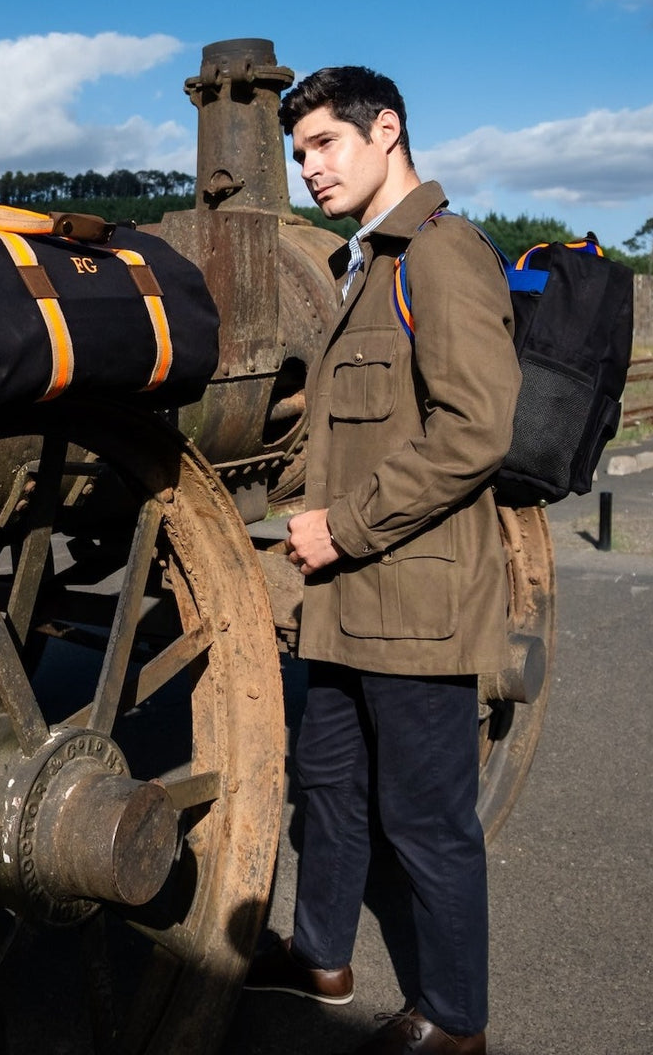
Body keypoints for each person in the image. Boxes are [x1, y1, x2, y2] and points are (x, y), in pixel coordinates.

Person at [242, 66, 522, 1055]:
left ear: (386, 130)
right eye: (298, 152)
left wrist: (345, 527)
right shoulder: (367, 266)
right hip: (344, 602)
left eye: (324, 143)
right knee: (327, 789)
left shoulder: (440, 259)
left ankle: (455, 1019)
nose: (308, 168)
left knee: (427, 821)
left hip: (413, 601)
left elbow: (476, 431)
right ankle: (322, 958)